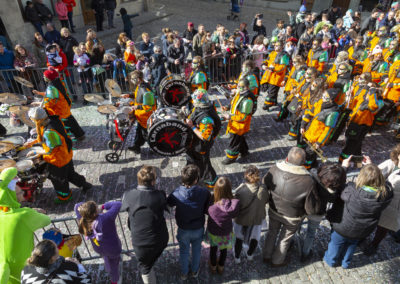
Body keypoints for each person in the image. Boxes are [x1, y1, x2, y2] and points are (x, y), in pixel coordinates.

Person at [324, 163, 393, 269]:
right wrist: (374, 171)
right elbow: (388, 187)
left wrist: (344, 169)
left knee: (335, 244)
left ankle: (331, 261)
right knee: (351, 246)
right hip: (362, 230)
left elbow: (339, 186)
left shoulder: (351, 191)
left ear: (361, 177)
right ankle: (345, 263)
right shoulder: (385, 195)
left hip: (342, 227)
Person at [262, 147, 317, 267]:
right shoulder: (308, 180)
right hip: (293, 216)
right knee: (285, 239)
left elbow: (264, 184)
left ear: (287, 158)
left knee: (272, 233)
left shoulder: (274, 169)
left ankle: (266, 255)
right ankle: (277, 261)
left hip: (273, 209)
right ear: (303, 162)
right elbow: (310, 206)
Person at [24, 107, 92, 203]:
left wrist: (35, 152)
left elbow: (49, 151)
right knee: (70, 174)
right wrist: (32, 142)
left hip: (58, 160)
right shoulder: (52, 120)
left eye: (31, 119)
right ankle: (85, 185)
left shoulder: (49, 132)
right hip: (66, 155)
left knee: (59, 180)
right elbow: (49, 140)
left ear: (36, 120)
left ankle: (65, 198)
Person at [0, 167, 51, 284]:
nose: (23, 194)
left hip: (3, 266)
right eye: (20, 193)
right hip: (23, 265)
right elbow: (46, 220)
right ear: (12, 195)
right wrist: (32, 211)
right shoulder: (23, 215)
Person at [121, 165, 169, 284]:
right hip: (160, 239)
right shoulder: (160, 195)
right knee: (151, 259)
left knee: (145, 268)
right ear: (153, 181)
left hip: (140, 243)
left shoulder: (128, 195)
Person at [167, 165, 211, 280]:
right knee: (197, 251)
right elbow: (207, 209)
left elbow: (169, 203)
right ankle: (195, 271)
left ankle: (184, 273)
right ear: (196, 179)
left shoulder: (176, 193)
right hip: (198, 228)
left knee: (184, 252)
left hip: (183, 229)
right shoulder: (204, 192)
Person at [299, 162, 347, 262]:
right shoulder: (333, 191)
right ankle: (305, 254)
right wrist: (344, 169)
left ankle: (291, 243)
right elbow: (333, 198)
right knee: (311, 233)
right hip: (318, 212)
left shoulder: (312, 174)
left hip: (303, 207)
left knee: (296, 226)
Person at [75, 200, 122, 284]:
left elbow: (77, 205)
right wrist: (103, 206)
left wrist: (84, 208)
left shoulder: (83, 218)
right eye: (97, 207)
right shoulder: (106, 218)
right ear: (94, 213)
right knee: (114, 265)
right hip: (113, 248)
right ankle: (114, 280)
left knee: (106, 257)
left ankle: (108, 264)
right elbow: (118, 204)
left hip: (99, 248)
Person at [32, 67, 85, 138]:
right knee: (71, 122)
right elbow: (49, 94)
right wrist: (39, 93)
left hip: (59, 110)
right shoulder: (58, 82)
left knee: (65, 124)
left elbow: (50, 102)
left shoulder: (51, 88)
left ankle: (68, 138)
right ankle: (80, 135)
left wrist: (38, 104)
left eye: (45, 76)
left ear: (49, 78)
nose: (43, 77)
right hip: (65, 106)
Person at [185, 89, 221, 189]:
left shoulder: (206, 119)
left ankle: (211, 181)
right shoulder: (202, 107)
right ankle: (193, 176)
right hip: (194, 143)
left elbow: (205, 137)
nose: (192, 101)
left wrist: (192, 126)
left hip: (201, 145)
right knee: (193, 161)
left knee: (204, 164)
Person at [339, 80, 383, 162]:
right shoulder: (364, 97)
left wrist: (372, 93)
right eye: (367, 87)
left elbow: (373, 107)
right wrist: (349, 95)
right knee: (356, 144)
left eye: (370, 88)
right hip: (354, 122)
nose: (367, 89)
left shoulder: (379, 100)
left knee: (351, 145)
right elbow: (353, 103)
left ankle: (342, 161)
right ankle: (358, 161)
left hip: (362, 126)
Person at [233, 166, 269, 263]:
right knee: (254, 238)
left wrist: (238, 189)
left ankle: (237, 257)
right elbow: (266, 201)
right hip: (256, 219)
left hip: (241, 220)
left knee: (238, 238)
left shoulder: (241, 191)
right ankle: (250, 255)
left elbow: (235, 205)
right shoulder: (264, 189)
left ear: (246, 177)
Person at [207, 177, 240, 274]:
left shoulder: (211, 204)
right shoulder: (234, 203)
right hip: (226, 231)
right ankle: (221, 266)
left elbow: (206, 211)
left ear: (216, 189)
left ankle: (213, 266)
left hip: (213, 231)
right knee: (224, 250)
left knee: (213, 250)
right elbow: (235, 214)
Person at [21, 240, 91, 283]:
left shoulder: (26, 270)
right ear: (52, 258)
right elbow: (86, 282)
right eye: (56, 247)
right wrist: (79, 266)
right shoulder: (69, 268)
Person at [222, 78, 256, 165]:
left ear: (246, 87)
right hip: (235, 122)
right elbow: (234, 103)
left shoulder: (247, 100)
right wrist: (227, 107)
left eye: (241, 87)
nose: (238, 88)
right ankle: (244, 151)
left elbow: (243, 117)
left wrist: (229, 117)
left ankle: (231, 157)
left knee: (234, 141)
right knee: (239, 138)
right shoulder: (240, 93)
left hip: (240, 125)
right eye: (238, 86)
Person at [127, 70, 156, 154]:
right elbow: (138, 96)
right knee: (139, 131)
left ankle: (153, 148)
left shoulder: (144, 89)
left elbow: (149, 105)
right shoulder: (140, 86)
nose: (132, 80)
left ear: (139, 79)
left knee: (146, 134)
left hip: (145, 116)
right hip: (141, 116)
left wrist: (137, 106)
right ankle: (136, 146)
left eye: (133, 79)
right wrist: (129, 95)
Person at [260, 40, 290, 111]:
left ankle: (266, 104)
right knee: (271, 90)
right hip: (268, 76)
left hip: (277, 77)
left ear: (282, 46)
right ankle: (274, 102)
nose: (275, 47)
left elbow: (282, 67)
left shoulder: (284, 55)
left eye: (277, 45)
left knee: (272, 91)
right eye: (275, 45)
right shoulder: (272, 53)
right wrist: (264, 65)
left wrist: (273, 69)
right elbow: (266, 60)